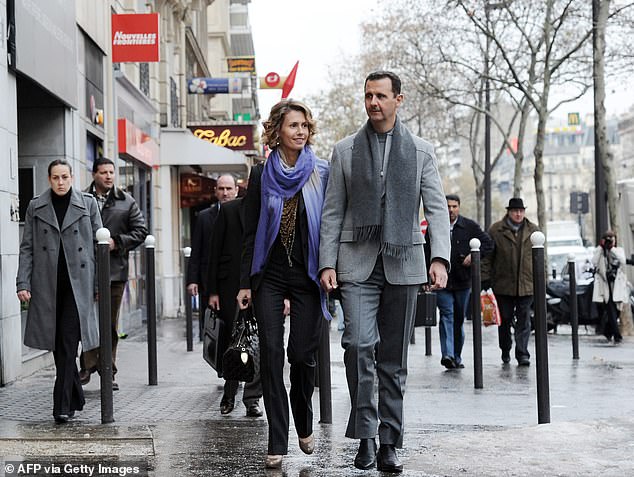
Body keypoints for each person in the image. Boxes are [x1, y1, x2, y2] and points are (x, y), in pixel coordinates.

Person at [319, 70, 450, 473]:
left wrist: (439, 259)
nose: (373, 102)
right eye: (368, 96)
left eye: (380, 96)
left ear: (399, 100)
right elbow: (332, 211)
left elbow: (437, 208)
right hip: (355, 263)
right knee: (358, 344)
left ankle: (390, 441)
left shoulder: (421, 151)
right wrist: (327, 262)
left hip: (405, 263)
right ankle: (365, 434)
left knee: (393, 358)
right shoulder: (344, 151)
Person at [237, 99, 330, 469]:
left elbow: (331, 224)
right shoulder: (260, 174)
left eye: (305, 126)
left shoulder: (321, 171)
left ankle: (303, 419)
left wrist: (330, 266)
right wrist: (246, 281)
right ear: (277, 130)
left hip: (308, 274)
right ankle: (277, 440)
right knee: (272, 355)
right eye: (294, 125)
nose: (301, 132)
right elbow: (250, 230)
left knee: (302, 355)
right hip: (271, 273)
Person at [17, 159, 102, 423]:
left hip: (78, 286)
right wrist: (23, 282)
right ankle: (75, 395)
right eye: (56, 177)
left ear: (72, 177)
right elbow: (27, 247)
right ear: (49, 179)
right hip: (48, 286)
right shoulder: (36, 206)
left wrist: (98, 284)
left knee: (67, 343)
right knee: (59, 347)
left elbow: (99, 246)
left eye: (65, 177)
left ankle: (61, 406)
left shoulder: (88, 203)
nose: (61, 182)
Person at [79, 158, 148, 391]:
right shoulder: (81, 199)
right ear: (94, 174)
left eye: (111, 172)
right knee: (88, 322)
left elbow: (141, 231)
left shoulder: (126, 201)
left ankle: (108, 370)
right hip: (85, 271)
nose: (109, 176)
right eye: (104, 172)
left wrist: (117, 242)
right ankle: (87, 365)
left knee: (108, 324)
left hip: (114, 273)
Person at [207, 196, 263, 418]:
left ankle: (252, 400)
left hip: (264, 284)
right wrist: (212, 291)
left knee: (259, 345)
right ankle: (229, 394)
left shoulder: (274, 207)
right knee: (236, 340)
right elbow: (215, 251)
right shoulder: (229, 210)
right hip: (231, 285)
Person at [431, 194, 493, 369]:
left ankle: (456, 356)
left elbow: (488, 244)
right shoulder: (436, 225)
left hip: (463, 282)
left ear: (459, 207)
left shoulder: (469, 226)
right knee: (446, 316)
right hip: (442, 282)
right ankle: (447, 354)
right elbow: (427, 248)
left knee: (458, 320)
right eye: (448, 206)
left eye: (454, 206)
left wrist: (474, 256)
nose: (451, 210)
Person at [482, 197, 539, 366]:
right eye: (515, 211)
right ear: (509, 212)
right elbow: (487, 258)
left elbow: (540, 258)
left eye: (521, 211)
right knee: (505, 320)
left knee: (524, 320)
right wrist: (485, 278)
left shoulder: (533, 230)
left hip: (526, 285)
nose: (518, 214)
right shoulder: (495, 230)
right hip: (503, 285)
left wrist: (542, 280)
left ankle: (522, 354)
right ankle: (505, 349)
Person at [187, 174, 238, 341]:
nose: (225, 193)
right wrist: (192, 280)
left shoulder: (244, 214)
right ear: (215, 191)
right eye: (221, 189)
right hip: (209, 283)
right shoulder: (204, 217)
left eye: (229, 189)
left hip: (235, 282)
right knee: (213, 333)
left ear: (236, 191)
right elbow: (197, 250)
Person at [592, 230, 627, 343]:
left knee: (617, 311)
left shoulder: (618, 250)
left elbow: (622, 261)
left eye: (611, 238)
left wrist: (611, 248)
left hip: (616, 284)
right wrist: (601, 248)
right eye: (607, 238)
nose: (608, 240)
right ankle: (617, 335)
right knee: (610, 308)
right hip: (605, 284)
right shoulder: (600, 250)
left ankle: (607, 331)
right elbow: (594, 262)